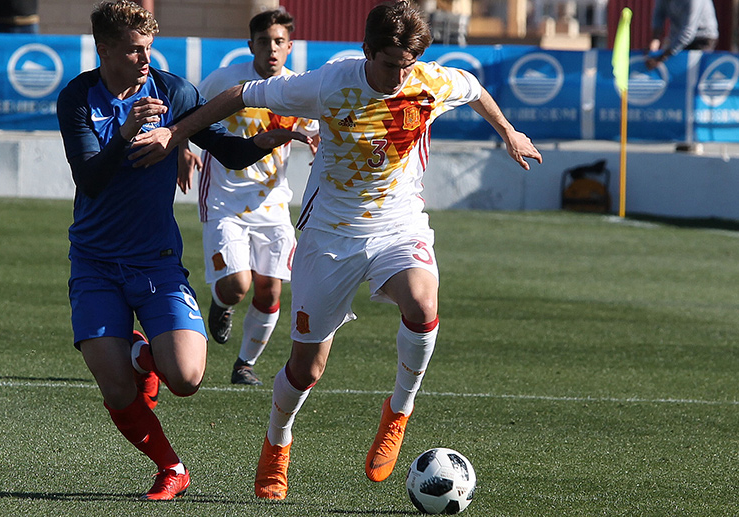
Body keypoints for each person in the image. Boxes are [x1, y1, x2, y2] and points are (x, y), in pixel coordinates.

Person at [135, 0, 541, 500]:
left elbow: (476, 89)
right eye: (390, 63)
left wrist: (508, 132)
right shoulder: (330, 83)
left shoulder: (430, 81)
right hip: (330, 236)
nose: (398, 74)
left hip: (399, 223)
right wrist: (178, 134)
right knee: (306, 368)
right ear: (368, 50)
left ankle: (399, 411)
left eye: (407, 64)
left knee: (423, 304)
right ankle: (277, 442)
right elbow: (240, 95)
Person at [56, 0, 308, 501]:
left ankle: (140, 352)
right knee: (117, 391)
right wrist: (126, 132)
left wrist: (279, 133)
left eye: (149, 47)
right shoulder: (78, 97)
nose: (145, 58)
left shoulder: (172, 91)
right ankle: (171, 467)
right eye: (133, 50)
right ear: (103, 49)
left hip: (156, 263)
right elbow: (90, 178)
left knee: (188, 378)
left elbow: (229, 151)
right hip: (96, 262)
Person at [190, 8, 319, 386]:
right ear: (251, 46)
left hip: (274, 202)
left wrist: (320, 145)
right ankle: (222, 302)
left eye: (279, 42)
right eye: (264, 42)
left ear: (290, 46)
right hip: (224, 199)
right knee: (237, 286)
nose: (272, 50)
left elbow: (318, 129)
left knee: (270, 289)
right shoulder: (227, 81)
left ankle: (244, 364)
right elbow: (189, 109)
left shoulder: (298, 89)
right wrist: (184, 148)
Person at [646, 0, 719, 69]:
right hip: (677, 36)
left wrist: (663, 57)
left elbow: (688, 32)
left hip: (702, 38)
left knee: (693, 73)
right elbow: (659, 14)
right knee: (672, 69)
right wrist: (655, 39)